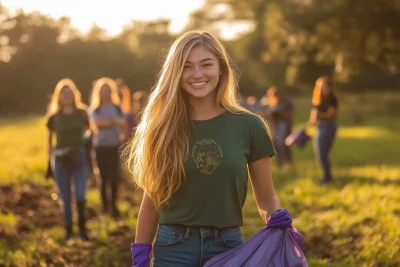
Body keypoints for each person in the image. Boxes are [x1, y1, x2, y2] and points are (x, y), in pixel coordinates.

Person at [127, 31, 282, 267]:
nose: (197, 74)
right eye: (187, 67)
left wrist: (276, 218)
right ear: (176, 73)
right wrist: (140, 253)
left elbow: (266, 197)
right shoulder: (164, 126)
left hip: (227, 246)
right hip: (173, 247)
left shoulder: (249, 126)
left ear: (221, 68)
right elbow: (153, 198)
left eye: (206, 64)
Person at [46, 78, 90, 241]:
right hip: (60, 159)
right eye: (63, 93)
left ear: (74, 94)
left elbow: (88, 132)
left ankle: (83, 230)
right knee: (65, 196)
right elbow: (50, 141)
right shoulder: (54, 117)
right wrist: (49, 163)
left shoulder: (82, 113)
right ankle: (69, 230)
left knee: (80, 195)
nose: (67, 96)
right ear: (59, 96)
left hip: (78, 157)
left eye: (69, 92)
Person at [89, 77, 126, 218]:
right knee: (103, 178)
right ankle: (105, 206)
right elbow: (97, 125)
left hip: (114, 146)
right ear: (99, 92)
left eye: (107, 91)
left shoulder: (116, 107)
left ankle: (114, 205)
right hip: (100, 147)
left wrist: (107, 122)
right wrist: (113, 121)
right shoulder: (95, 109)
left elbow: (122, 121)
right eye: (102, 91)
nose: (105, 93)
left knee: (115, 177)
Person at [308, 76, 339, 184]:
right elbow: (314, 117)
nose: (325, 88)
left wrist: (318, 115)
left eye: (327, 86)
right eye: (323, 86)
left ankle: (327, 176)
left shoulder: (332, 99)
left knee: (322, 153)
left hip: (328, 127)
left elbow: (331, 114)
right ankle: (327, 176)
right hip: (319, 127)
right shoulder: (318, 100)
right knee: (320, 153)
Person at [264, 86, 295, 168]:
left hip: (283, 123)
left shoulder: (286, 101)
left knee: (282, 143)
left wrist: (281, 113)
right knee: (276, 143)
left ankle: (287, 160)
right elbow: (268, 114)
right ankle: (280, 162)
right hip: (275, 124)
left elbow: (290, 113)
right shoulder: (271, 102)